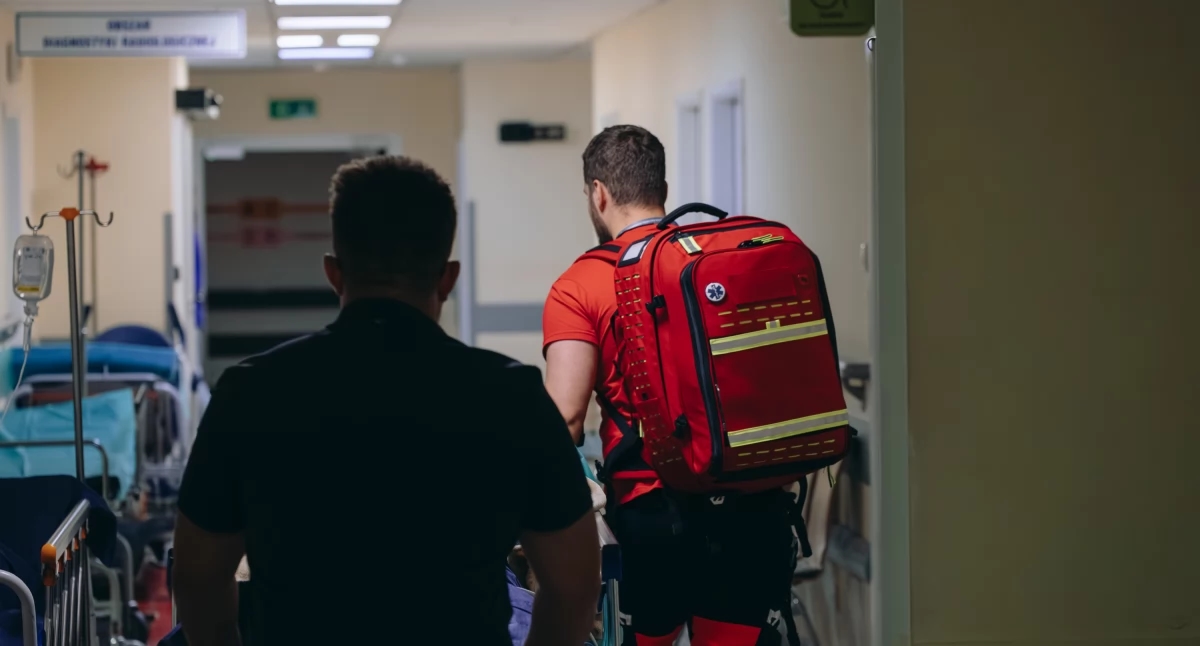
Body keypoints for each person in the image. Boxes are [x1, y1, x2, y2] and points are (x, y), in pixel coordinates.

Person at [173, 155, 600, 646]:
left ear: (333, 273)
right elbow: (574, 588)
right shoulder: (513, 397)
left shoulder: (249, 393)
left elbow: (198, 579)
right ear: (448, 278)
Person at [543, 126, 797, 646]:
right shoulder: (715, 262)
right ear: (662, 187)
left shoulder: (580, 284)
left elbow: (565, 419)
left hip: (653, 510)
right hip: (752, 500)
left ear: (598, 193)